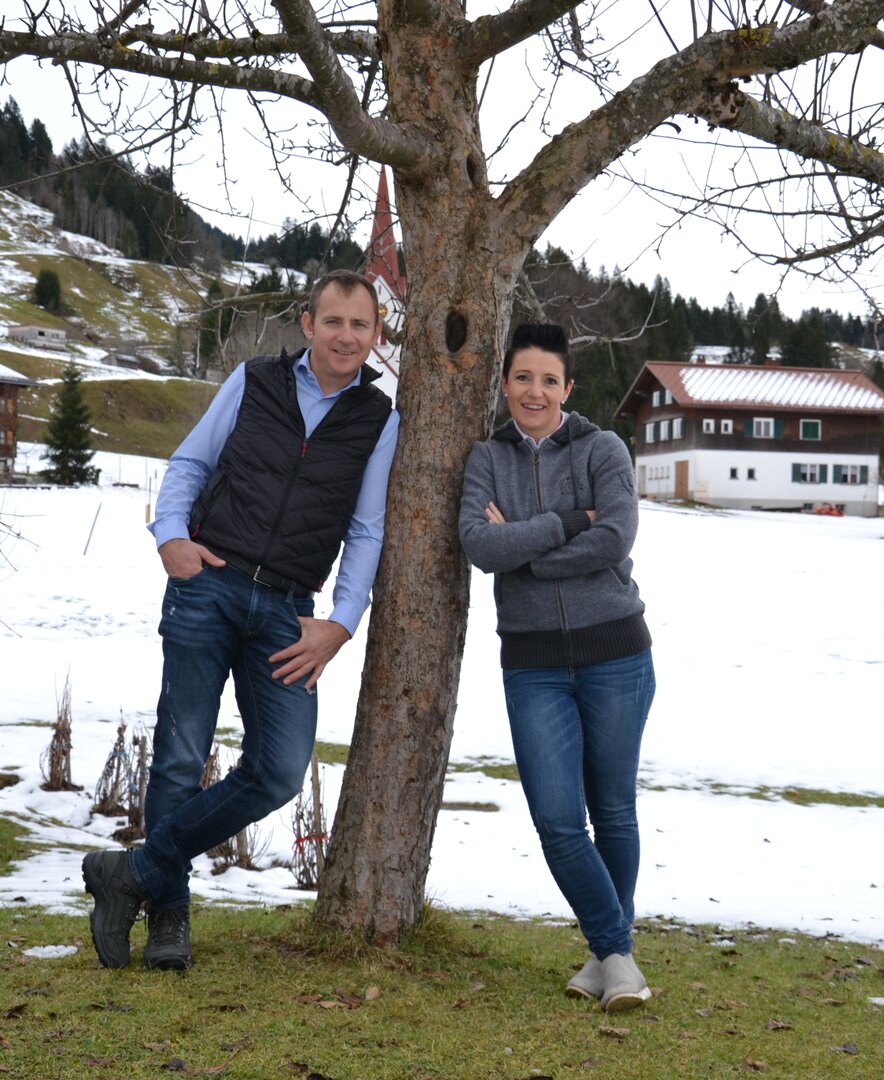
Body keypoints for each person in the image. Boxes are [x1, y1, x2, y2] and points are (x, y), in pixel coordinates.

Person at [82, 269, 399, 970]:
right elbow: (192, 462)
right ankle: (169, 918)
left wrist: (341, 624)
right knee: (180, 756)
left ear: (377, 335)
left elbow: (368, 530)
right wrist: (171, 536)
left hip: (290, 610)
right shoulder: (255, 380)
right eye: (334, 321)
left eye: (361, 325)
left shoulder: (380, 419)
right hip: (210, 584)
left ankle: (130, 873)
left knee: (280, 770)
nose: (347, 336)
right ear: (307, 324)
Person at [458, 322, 655, 1013]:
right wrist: (569, 521)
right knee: (558, 820)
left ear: (567, 388)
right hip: (533, 664)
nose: (534, 391)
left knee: (613, 811)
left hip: (616, 652)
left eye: (548, 379)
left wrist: (527, 546)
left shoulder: (604, 447)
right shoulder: (485, 456)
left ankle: (609, 959)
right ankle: (616, 952)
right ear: (506, 384)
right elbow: (480, 544)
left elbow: (618, 536)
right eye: (522, 378)